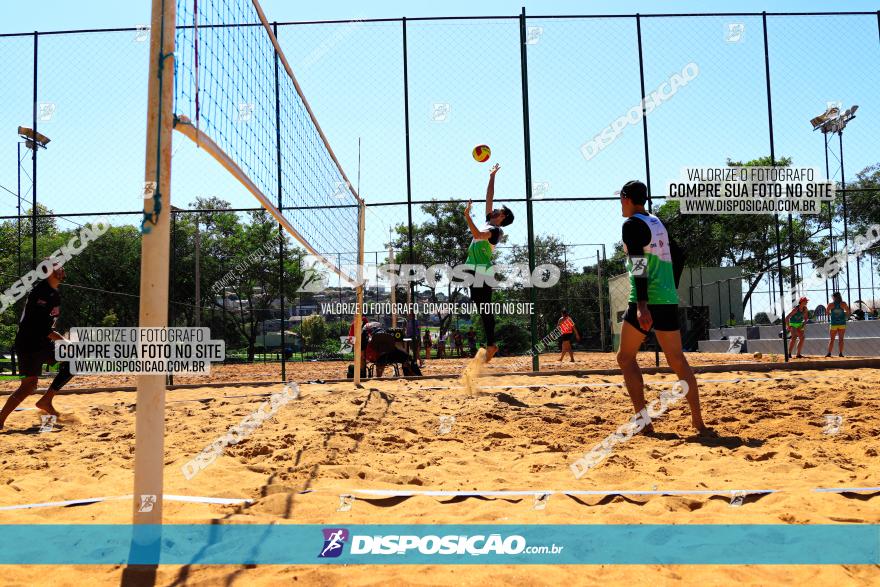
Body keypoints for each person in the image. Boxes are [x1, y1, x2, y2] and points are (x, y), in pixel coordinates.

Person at [615, 180, 709, 436]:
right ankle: (698, 422)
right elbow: (679, 255)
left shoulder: (631, 224)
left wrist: (642, 306)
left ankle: (643, 422)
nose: (619, 205)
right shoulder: (656, 222)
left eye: (620, 199)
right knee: (677, 360)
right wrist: (670, 285)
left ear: (627, 198)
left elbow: (638, 265)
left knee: (625, 358)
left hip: (645, 299)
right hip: (667, 298)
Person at [0, 261, 74, 430]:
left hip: (40, 342)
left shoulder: (54, 293)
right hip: (29, 343)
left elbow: (47, 326)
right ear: (49, 272)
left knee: (73, 360)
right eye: (58, 266)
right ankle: (1, 419)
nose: (62, 268)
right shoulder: (41, 292)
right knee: (28, 386)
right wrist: (64, 341)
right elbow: (41, 327)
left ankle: (46, 400)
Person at [462, 162, 514, 362]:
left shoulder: (495, 231)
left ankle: (491, 345)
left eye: (498, 211)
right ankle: (491, 344)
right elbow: (489, 196)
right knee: (482, 307)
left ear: (502, 218)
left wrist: (467, 216)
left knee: (485, 308)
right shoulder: (488, 220)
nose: (494, 210)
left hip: (482, 272)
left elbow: (476, 233)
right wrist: (492, 176)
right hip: (474, 271)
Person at [825, 292, 850, 357]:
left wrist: (832, 314)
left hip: (834, 323)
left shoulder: (831, 304)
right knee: (841, 339)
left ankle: (829, 353)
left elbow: (827, 312)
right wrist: (843, 314)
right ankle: (841, 353)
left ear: (834, 297)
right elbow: (848, 312)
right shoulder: (843, 304)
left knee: (832, 339)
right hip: (842, 323)